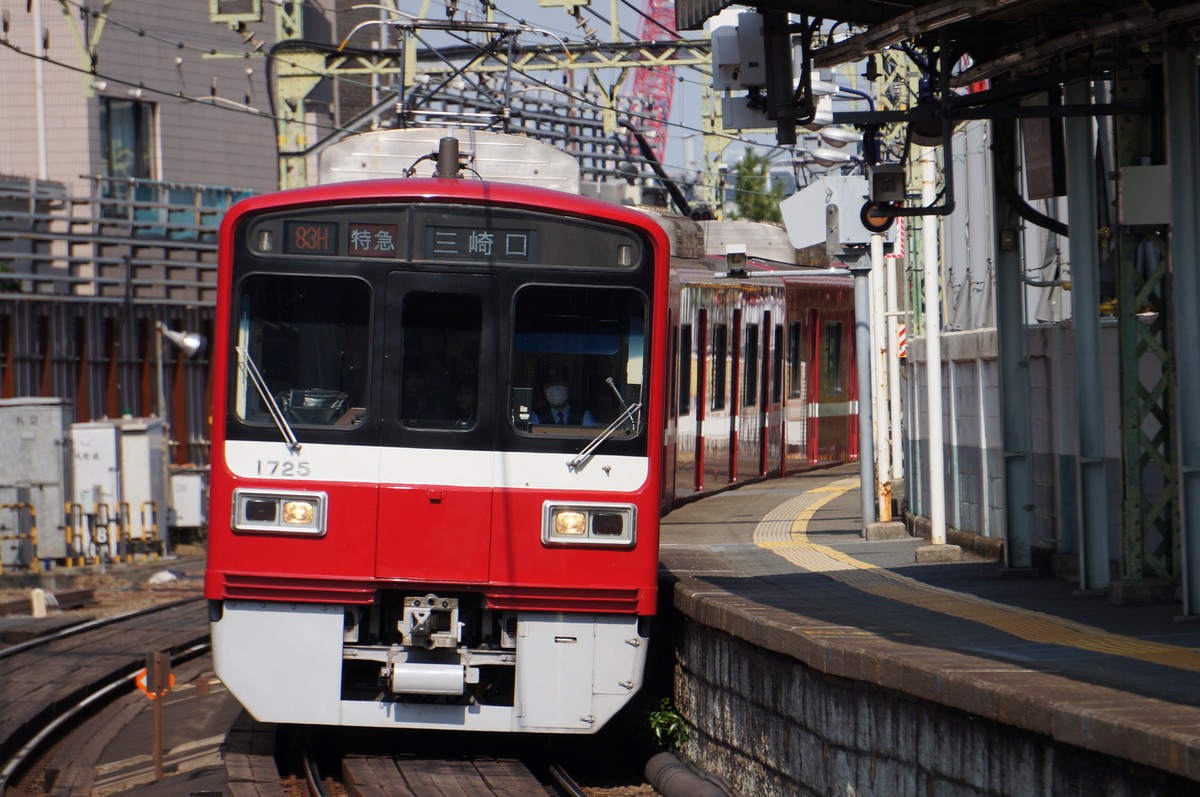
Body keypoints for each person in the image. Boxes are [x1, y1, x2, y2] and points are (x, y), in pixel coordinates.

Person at [531, 363, 596, 426]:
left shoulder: (583, 415)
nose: (556, 391)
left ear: (568, 387)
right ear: (543, 390)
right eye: (550, 385)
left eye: (560, 384)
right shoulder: (536, 416)